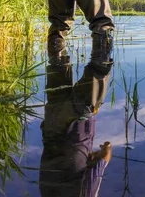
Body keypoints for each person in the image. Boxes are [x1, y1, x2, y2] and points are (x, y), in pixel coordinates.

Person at [39, 41, 114, 196]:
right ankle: (60, 17)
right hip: (53, 117)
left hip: (78, 121)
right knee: (57, 59)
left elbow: (103, 159)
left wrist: (105, 150)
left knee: (100, 66)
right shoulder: (46, 193)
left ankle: (101, 23)